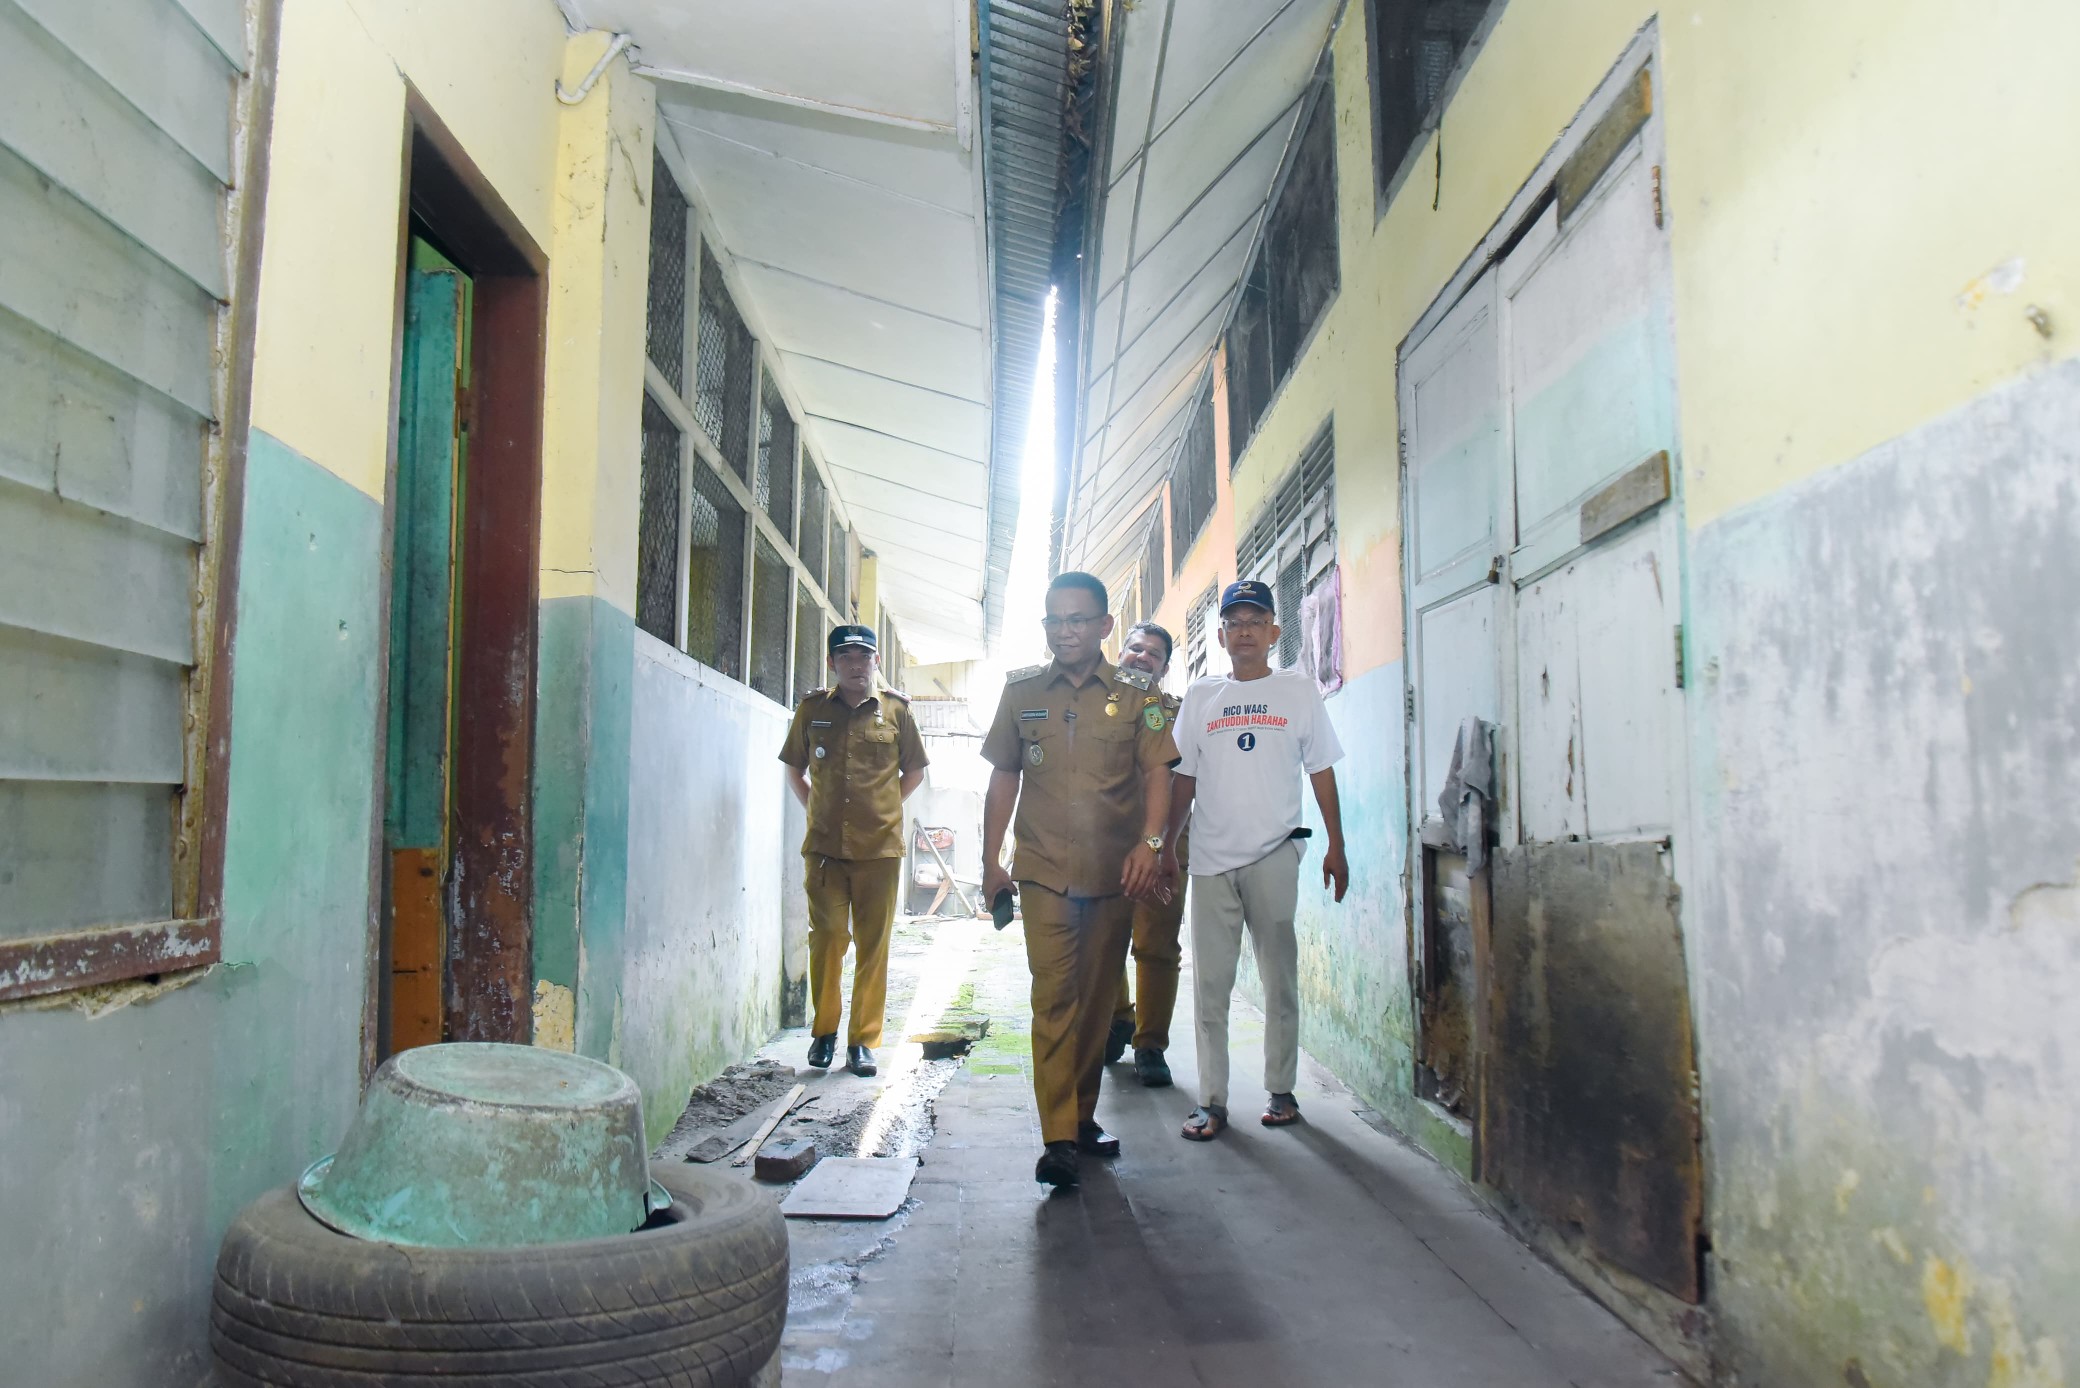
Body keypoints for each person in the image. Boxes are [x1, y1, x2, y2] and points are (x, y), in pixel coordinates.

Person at [980, 573, 1177, 1189]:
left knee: (1096, 1004)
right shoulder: (1021, 694)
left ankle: (1081, 1115)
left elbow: (1158, 774)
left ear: (1103, 626)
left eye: (1077, 620)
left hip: (1116, 873)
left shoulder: (1137, 693)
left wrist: (1151, 845)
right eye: (1054, 621)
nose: (1064, 631)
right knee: (1054, 997)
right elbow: (1004, 779)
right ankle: (1058, 1136)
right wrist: (991, 861)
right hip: (1042, 871)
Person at [1166, 579, 1348, 1141]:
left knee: (1279, 980)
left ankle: (1281, 1091)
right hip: (1211, 860)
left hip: (1274, 853)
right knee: (1211, 988)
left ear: (1273, 632)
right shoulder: (1200, 697)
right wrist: (1167, 847)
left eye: (1255, 621)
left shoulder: (1297, 692)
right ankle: (1211, 1101)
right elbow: (1183, 779)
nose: (1244, 630)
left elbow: (1321, 769)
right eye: (1234, 622)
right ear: (1220, 636)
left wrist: (1337, 846)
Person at [779, 624, 929, 1078]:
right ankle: (824, 1031)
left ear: (876, 662)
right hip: (824, 850)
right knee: (827, 939)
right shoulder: (812, 710)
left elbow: (915, 771)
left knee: (873, 945)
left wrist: (883, 809)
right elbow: (794, 770)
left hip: (880, 851)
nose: (856, 664)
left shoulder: (897, 711)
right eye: (846, 657)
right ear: (832, 663)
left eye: (865, 656)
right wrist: (817, 810)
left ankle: (862, 1041)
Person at [1102, 621, 1188, 1089]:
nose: (1141, 657)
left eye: (1153, 654)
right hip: (1105, 843)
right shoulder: (1095, 704)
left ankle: (1150, 1044)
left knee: (1156, 945)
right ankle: (1117, 1017)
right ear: (1121, 651)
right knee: (1103, 939)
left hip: (1164, 844)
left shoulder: (1177, 714)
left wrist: (1165, 846)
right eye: (1136, 649)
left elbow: (1184, 781)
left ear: (1165, 667)